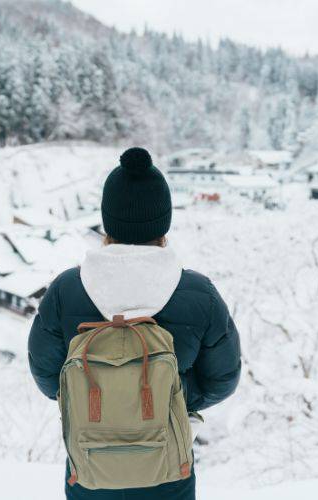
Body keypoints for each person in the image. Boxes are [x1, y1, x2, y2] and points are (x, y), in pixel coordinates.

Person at [28, 147, 241, 500]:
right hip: (168, 468)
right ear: (163, 222)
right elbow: (223, 379)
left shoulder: (66, 290)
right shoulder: (197, 292)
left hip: (90, 464)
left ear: (107, 221)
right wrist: (170, 397)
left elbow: (48, 377)